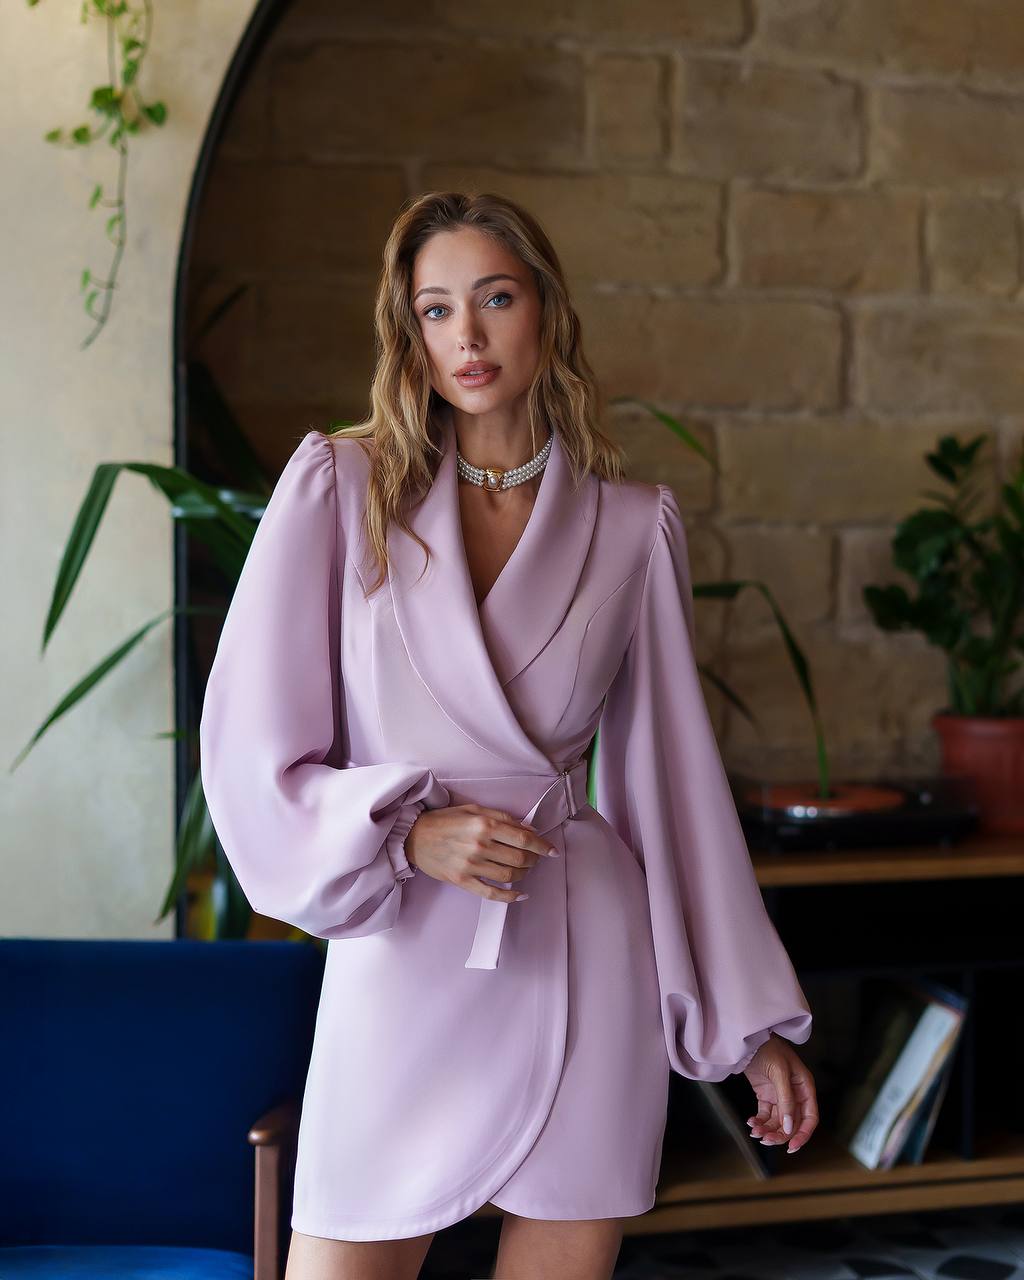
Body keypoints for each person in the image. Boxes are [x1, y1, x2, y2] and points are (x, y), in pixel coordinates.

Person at [198, 190, 818, 1280]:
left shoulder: (632, 526)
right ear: (409, 332)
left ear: (546, 312)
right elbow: (252, 749)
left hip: (583, 945)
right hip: (404, 944)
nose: (468, 337)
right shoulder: (340, 487)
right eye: (436, 309)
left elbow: (672, 789)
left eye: (495, 298)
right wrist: (406, 833)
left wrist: (748, 1023)